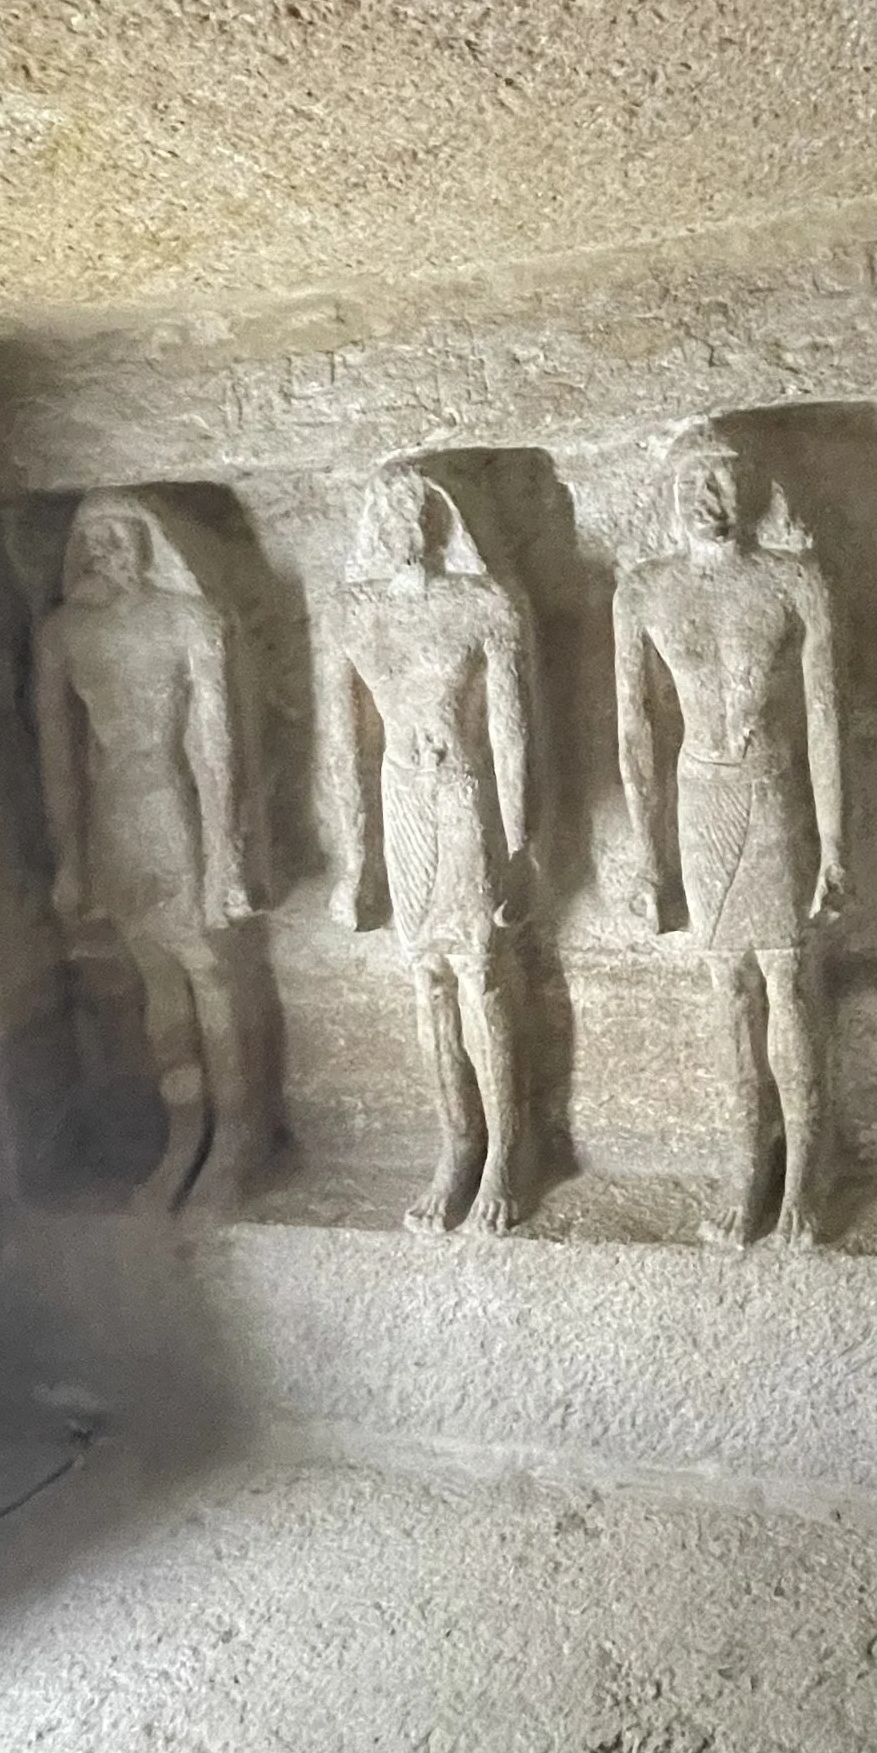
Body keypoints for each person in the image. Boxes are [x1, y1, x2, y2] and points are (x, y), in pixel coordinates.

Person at [614, 426, 846, 1247]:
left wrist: (835, 840)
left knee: (786, 979)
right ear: (673, 500)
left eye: (723, 485)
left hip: (771, 787)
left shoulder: (791, 581)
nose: (709, 503)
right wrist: (647, 857)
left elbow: (824, 715)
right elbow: (635, 727)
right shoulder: (643, 590)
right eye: (694, 488)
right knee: (727, 989)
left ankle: (804, 1173)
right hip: (700, 793)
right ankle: (748, 1162)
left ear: (749, 496)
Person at [328, 464, 538, 1234]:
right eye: (384, 519)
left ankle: (509, 1150)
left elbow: (511, 730)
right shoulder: (353, 612)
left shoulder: (484, 604)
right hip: (402, 798)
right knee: (426, 978)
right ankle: (456, 1143)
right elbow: (345, 741)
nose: (401, 533)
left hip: (464, 797)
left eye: (414, 516)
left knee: (481, 972)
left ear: (440, 523)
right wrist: (356, 860)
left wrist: (521, 841)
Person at [36, 492, 255, 1214]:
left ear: (147, 542)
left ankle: (235, 1137)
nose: (106, 554)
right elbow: (60, 760)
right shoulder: (64, 633)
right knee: (155, 980)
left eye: (120, 539)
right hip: (114, 814)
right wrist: (69, 855)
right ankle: (184, 1133)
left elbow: (219, 750)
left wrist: (226, 854)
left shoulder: (188, 620)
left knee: (208, 970)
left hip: (173, 806)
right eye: (92, 542)